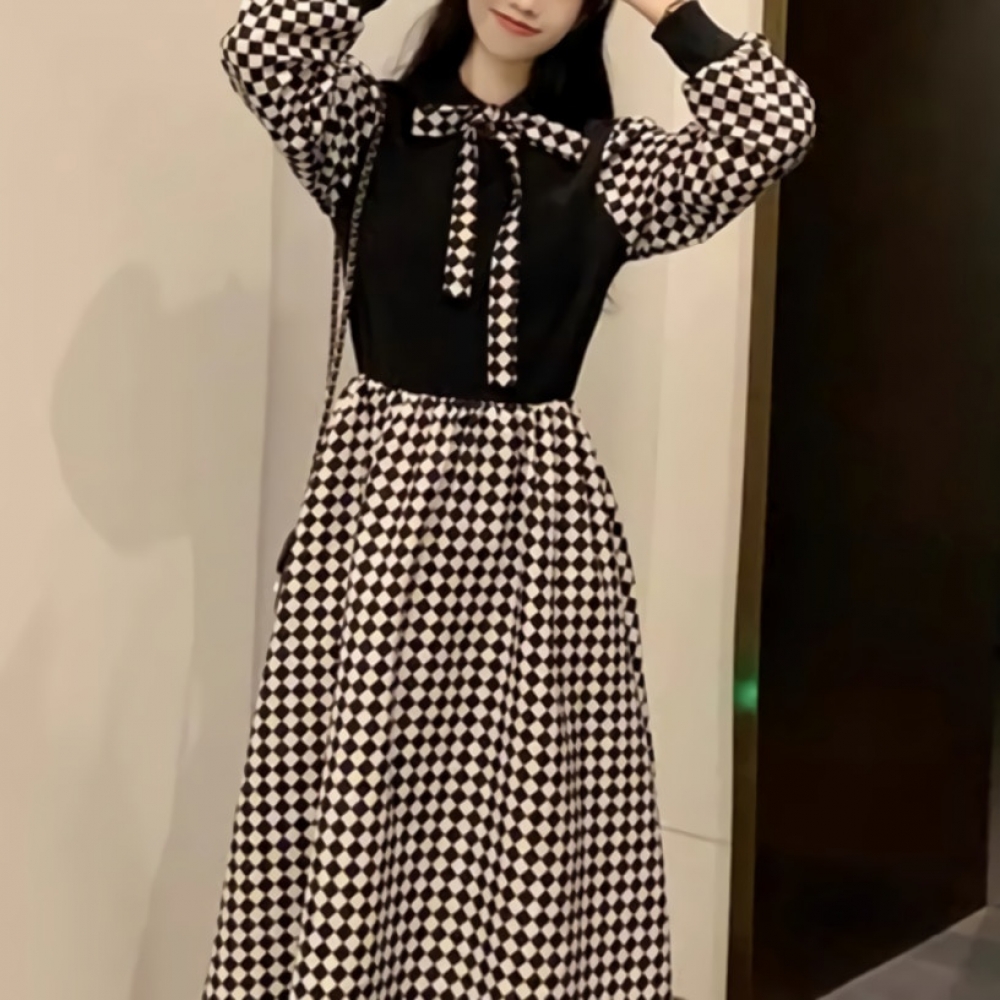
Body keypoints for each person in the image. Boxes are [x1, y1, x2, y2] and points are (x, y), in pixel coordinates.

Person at [201, 0, 814, 997]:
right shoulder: (365, 129)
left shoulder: (611, 165)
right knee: (362, 812)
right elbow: (261, 49)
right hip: (377, 529)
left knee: (523, 828)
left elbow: (774, 129)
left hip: (539, 542)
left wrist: (670, 13)